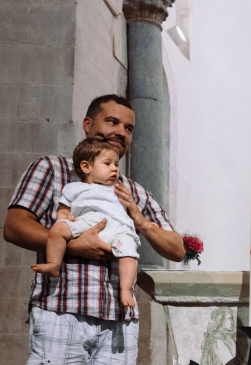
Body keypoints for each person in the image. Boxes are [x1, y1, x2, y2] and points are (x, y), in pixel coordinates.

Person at [3, 94, 186, 365]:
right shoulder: (53, 169)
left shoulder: (135, 192)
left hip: (119, 321)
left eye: (128, 128)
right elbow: (14, 226)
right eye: (112, 122)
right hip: (62, 312)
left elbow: (177, 250)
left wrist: (142, 222)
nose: (120, 132)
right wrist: (76, 245)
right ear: (87, 124)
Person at [31, 138, 144, 307]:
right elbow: (63, 210)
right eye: (107, 163)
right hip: (85, 221)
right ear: (86, 167)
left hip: (116, 226)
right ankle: (54, 264)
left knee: (129, 252)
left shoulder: (118, 189)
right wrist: (64, 219)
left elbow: (132, 211)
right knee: (57, 229)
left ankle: (126, 289)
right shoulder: (73, 188)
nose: (114, 168)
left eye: (116, 164)